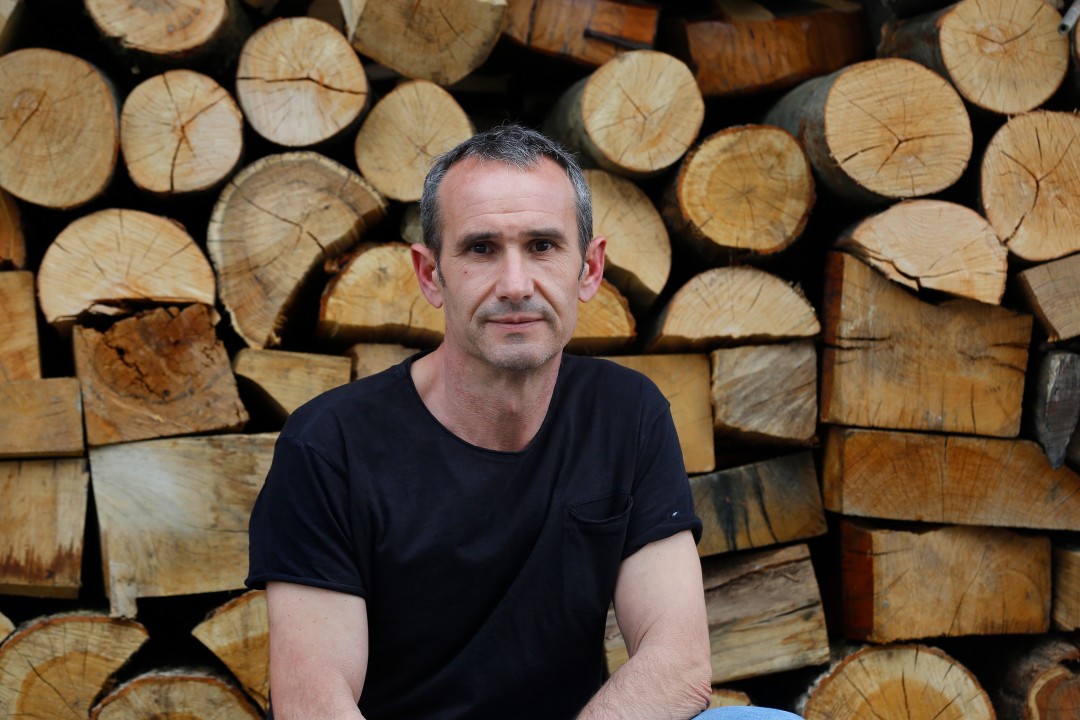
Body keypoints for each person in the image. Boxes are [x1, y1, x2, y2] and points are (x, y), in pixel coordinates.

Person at [246, 124, 802, 720]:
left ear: (589, 269)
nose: (515, 285)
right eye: (481, 249)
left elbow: (679, 664)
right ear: (431, 275)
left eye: (542, 245)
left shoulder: (626, 414)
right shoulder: (330, 446)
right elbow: (314, 706)